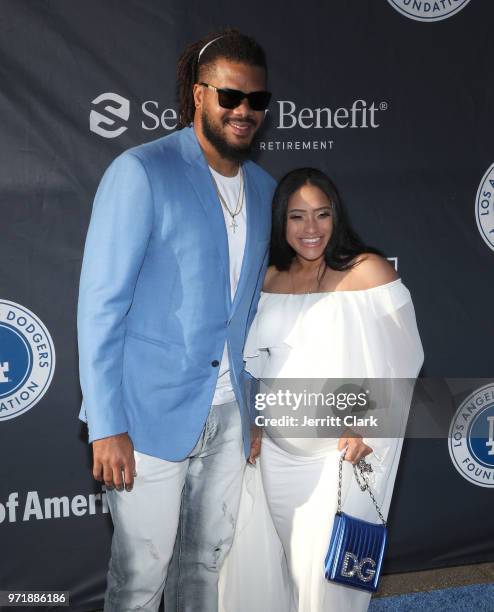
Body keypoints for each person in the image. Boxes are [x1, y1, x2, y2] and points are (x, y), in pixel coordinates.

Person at [77, 29, 275, 612]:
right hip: (145, 418)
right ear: (198, 94)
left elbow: (254, 314)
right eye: (230, 97)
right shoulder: (141, 171)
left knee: (205, 569)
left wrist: (254, 406)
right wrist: (106, 422)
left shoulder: (264, 189)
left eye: (257, 101)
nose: (244, 112)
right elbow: (101, 305)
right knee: (141, 578)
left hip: (230, 414)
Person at [219, 167, 424, 612]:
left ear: (337, 217)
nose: (310, 229)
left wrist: (371, 423)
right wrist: (254, 422)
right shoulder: (269, 279)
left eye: (321, 214)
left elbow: (406, 358)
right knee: (283, 573)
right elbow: (259, 363)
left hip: (338, 458)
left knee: (326, 588)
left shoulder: (369, 271)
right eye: (297, 217)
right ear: (281, 222)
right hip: (275, 456)